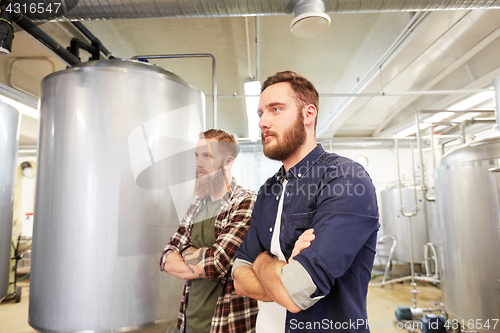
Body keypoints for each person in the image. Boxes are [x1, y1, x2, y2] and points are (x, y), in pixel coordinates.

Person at [232, 71, 379, 333]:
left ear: (308, 114)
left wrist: (261, 261)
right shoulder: (268, 190)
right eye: (260, 113)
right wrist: (283, 271)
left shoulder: (345, 178)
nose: (263, 122)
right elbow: (239, 280)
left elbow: (293, 294)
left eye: (275, 109)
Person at [160, 129, 258, 333]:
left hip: (226, 325)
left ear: (228, 161)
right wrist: (200, 259)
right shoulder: (197, 205)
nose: (198, 163)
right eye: (197, 155)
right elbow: (167, 257)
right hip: (188, 323)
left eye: (207, 156)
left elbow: (216, 265)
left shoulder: (245, 202)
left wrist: (186, 252)